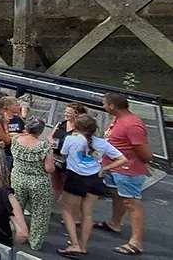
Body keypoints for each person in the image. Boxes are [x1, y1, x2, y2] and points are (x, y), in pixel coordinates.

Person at [58, 115, 128, 257]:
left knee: (67, 211)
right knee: (88, 214)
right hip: (95, 179)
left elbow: (63, 154)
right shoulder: (102, 143)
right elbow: (122, 159)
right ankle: (83, 245)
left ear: (76, 127)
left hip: (76, 178)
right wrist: (104, 169)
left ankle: (74, 243)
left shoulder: (70, 139)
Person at [95, 92, 152, 255]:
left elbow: (144, 152)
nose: (103, 107)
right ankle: (115, 223)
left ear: (112, 106)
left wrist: (143, 164)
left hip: (127, 170)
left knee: (132, 203)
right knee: (117, 195)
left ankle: (136, 242)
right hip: (113, 167)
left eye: (104, 104)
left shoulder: (132, 125)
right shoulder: (117, 119)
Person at [10, 117, 55, 250]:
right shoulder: (44, 147)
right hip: (38, 182)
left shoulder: (16, 140)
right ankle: (35, 242)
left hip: (18, 178)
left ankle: (14, 233)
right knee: (40, 213)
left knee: (16, 208)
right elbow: (49, 168)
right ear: (40, 131)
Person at [48, 103, 88, 203]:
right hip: (56, 157)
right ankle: (52, 204)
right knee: (55, 183)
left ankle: (67, 207)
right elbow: (50, 136)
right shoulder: (61, 124)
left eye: (69, 112)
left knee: (67, 184)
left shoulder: (80, 128)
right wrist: (51, 141)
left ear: (77, 114)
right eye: (65, 111)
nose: (66, 114)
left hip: (70, 160)